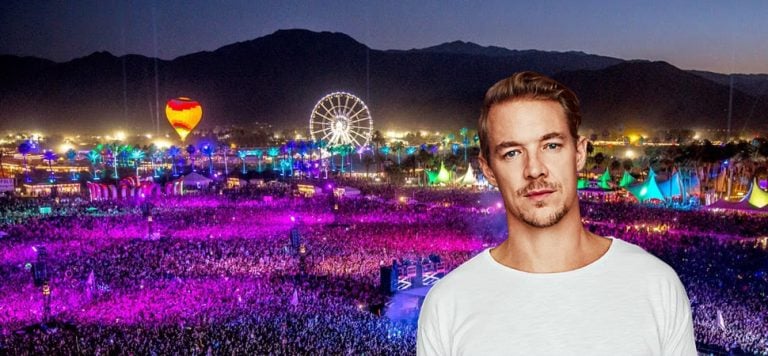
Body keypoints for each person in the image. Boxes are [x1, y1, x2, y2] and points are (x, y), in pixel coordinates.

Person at [417, 72, 697, 355]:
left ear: (579, 154)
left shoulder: (655, 287)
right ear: (488, 169)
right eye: (512, 153)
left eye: (551, 146)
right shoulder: (448, 305)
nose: (534, 168)